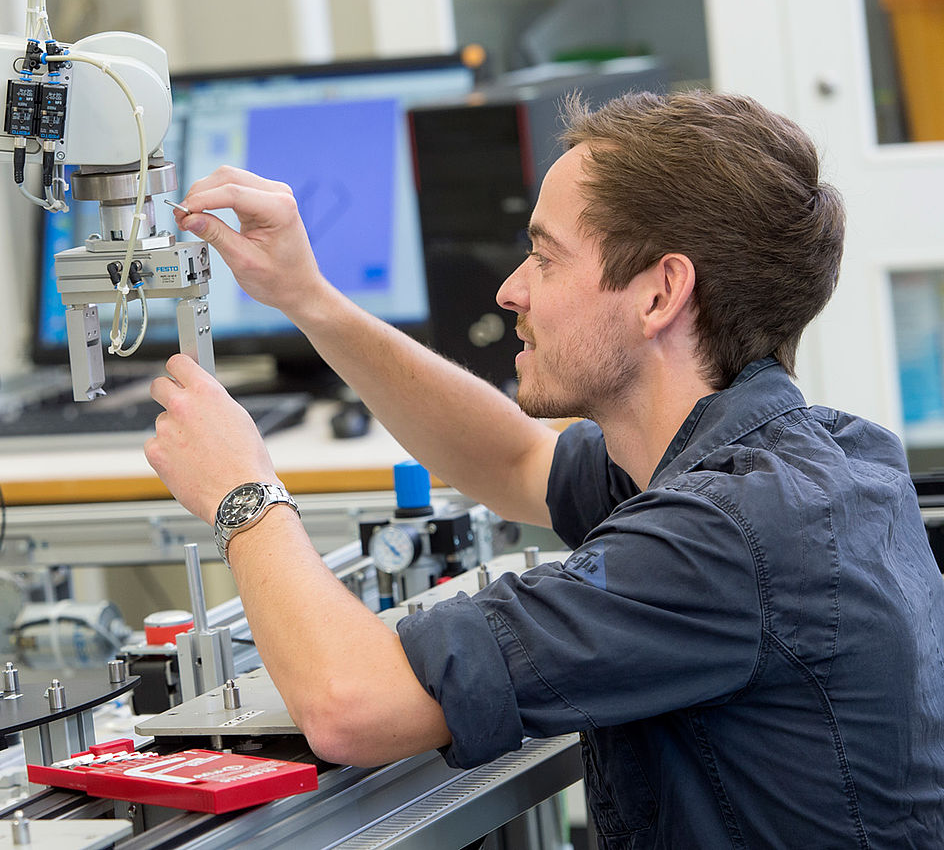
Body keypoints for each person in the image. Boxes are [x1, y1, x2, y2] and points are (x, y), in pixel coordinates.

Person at [144, 90, 944, 848]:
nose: (510, 289)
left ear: (661, 292)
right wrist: (309, 297)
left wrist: (241, 495)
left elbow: (353, 706)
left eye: (545, 258)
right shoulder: (814, 454)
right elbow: (513, 458)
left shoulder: (727, 537)